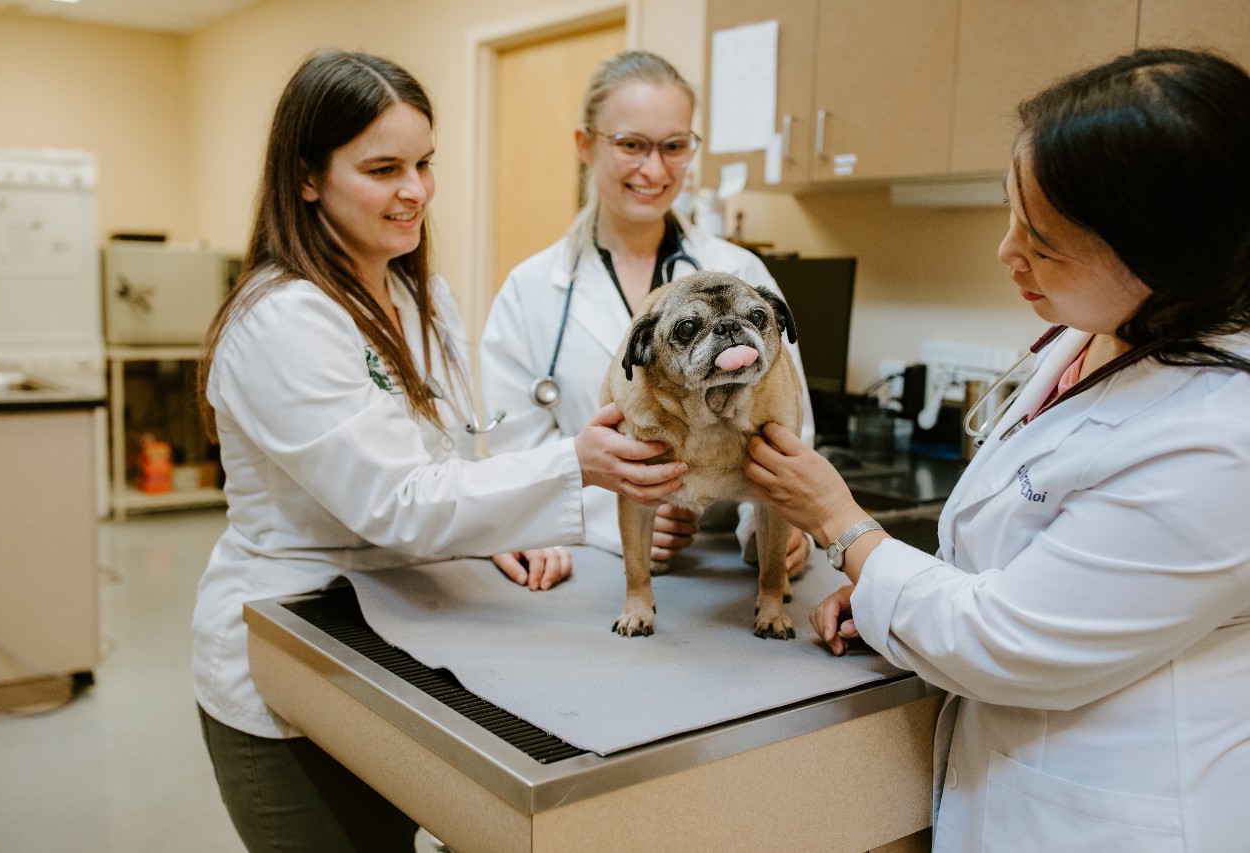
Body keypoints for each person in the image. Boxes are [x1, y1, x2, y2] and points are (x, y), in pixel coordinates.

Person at [747, 46, 1250, 850]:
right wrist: (891, 596)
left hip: (1123, 813)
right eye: (1012, 213)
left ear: (1165, 256)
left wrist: (845, 528)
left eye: (1044, 241)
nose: (1007, 252)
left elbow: (1004, 639)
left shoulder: (1225, 438)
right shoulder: (1090, 339)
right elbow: (1025, 569)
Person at [191, 49, 686, 853]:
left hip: (399, 637)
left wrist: (505, 525)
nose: (415, 190)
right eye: (383, 168)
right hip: (293, 649)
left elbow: (451, 462)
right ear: (307, 177)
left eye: (424, 163)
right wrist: (576, 466)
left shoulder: (423, 298)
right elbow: (397, 501)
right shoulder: (282, 320)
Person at [481, 50, 815, 572]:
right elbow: (512, 449)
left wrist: (771, 526)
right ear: (585, 145)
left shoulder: (740, 272)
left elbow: (789, 421)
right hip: (590, 559)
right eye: (631, 145)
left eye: (674, 146)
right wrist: (606, 510)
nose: (655, 169)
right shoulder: (530, 289)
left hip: (721, 563)